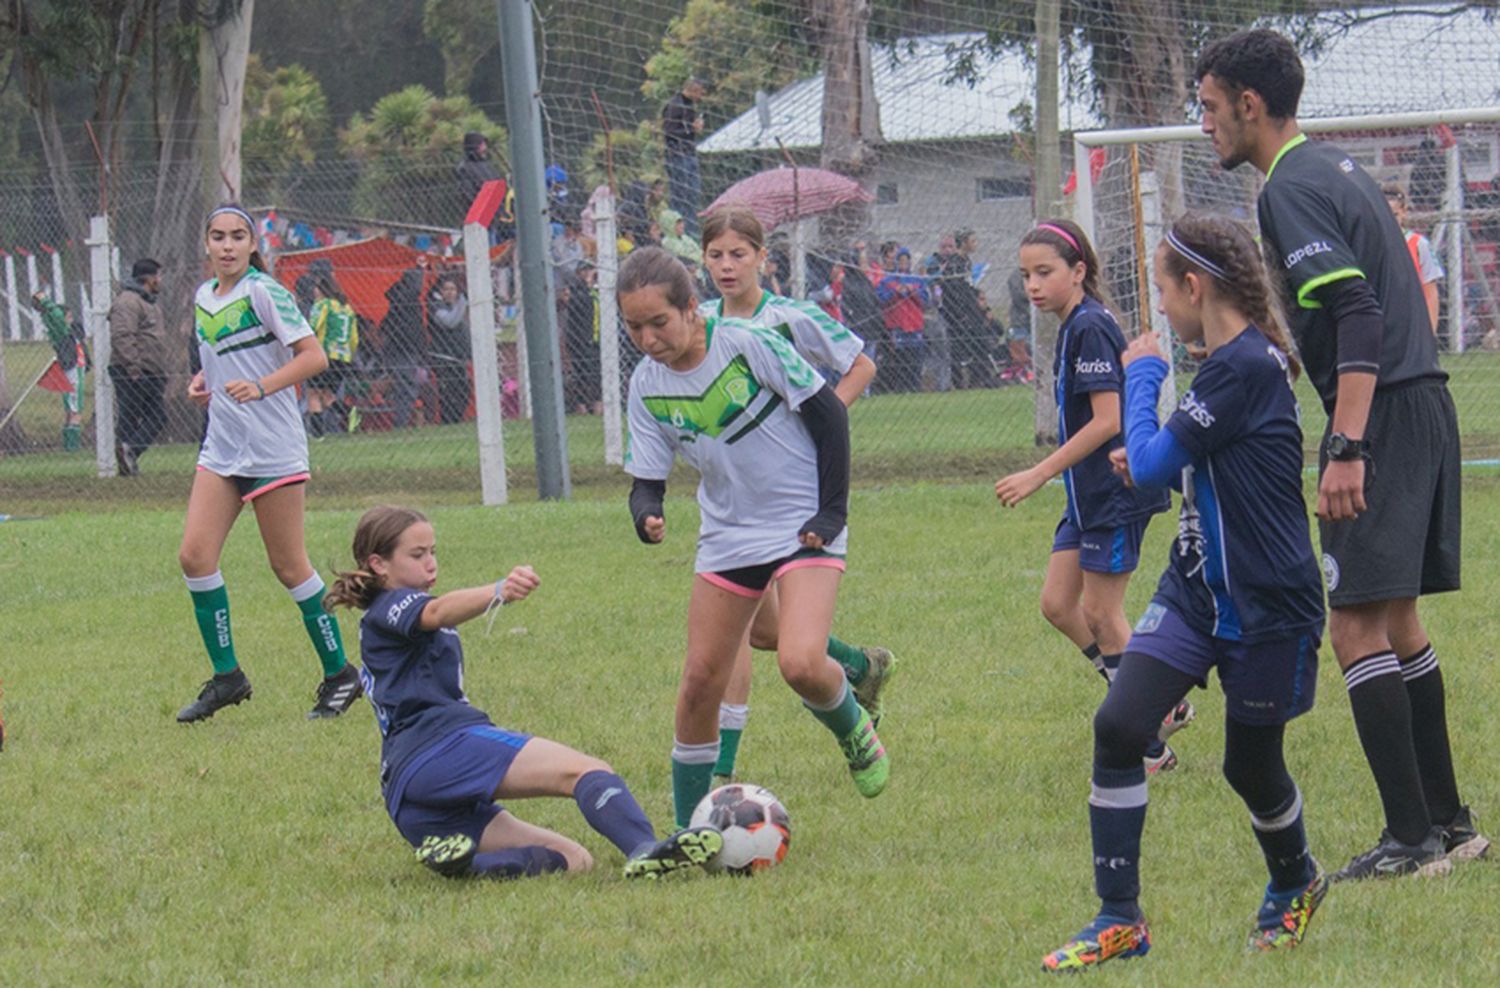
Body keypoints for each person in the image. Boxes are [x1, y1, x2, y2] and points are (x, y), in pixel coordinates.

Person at [1196, 27, 1486, 880]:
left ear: (1251, 105)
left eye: (1210, 108)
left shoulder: (1290, 188)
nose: (1204, 123)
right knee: (1397, 622)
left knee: (1356, 626)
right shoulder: (1335, 171)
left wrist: (1348, 442)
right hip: (1418, 398)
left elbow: (1357, 312)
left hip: (1383, 413)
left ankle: (1410, 842)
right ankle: (1449, 825)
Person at [1042, 213, 1329, 972]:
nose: (1160, 311)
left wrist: (1142, 374)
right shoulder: (1230, 364)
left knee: (1250, 768)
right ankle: (1119, 918)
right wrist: (1154, 450)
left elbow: (1156, 457)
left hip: (1270, 604)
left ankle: (1296, 880)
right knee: (1120, 723)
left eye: (1164, 292)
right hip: (1199, 588)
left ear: (1194, 287)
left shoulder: (1245, 366)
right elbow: (1165, 457)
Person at [618, 246, 890, 828]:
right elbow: (647, 477)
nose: (646, 338)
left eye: (658, 322)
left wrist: (831, 514)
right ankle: (689, 826)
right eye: (633, 326)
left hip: (801, 520)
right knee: (698, 682)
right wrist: (646, 513)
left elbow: (829, 417)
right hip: (728, 534)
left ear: (691, 309)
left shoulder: (747, 344)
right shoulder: (646, 383)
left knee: (799, 662)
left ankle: (853, 726)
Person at [323, 505, 723, 880]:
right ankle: (644, 849)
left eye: (433, 551)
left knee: (574, 860)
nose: (431, 563)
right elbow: (437, 612)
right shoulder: (391, 606)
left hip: (412, 799)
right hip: (438, 750)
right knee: (587, 770)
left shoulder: (392, 611)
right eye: (417, 554)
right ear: (378, 564)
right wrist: (498, 589)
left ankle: (464, 864)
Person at [697, 206, 891, 785]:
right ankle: (858, 665)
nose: (727, 266)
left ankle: (721, 774)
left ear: (763, 257)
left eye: (739, 254)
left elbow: (861, 364)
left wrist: (819, 423)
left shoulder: (790, 317)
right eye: (716, 255)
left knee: (769, 645)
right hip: (735, 504)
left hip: (799, 498)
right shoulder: (700, 321)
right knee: (756, 631)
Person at [995, 220, 1184, 773]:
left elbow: (1108, 422)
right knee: (1058, 604)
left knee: (1102, 613)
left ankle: (1146, 747)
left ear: (1078, 272)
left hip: (1114, 492)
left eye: (1045, 272)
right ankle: (1153, 701)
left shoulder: (1093, 328)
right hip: (1087, 497)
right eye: (1026, 274)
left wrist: (1038, 473)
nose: (1032, 285)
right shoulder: (1072, 326)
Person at [175, 203, 362, 723]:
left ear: (253, 245)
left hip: (273, 448)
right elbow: (218, 363)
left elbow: (314, 357)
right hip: (223, 447)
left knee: (288, 566)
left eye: (238, 236)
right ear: (207, 244)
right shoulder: (202, 297)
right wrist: (202, 387)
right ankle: (228, 678)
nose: (228, 245)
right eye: (218, 236)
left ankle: (340, 674)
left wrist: (261, 386)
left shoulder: (265, 291)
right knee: (195, 557)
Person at [107, 258, 167, 475]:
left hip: (150, 370)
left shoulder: (149, 302)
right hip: (131, 370)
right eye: (159, 276)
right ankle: (128, 455)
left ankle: (129, 454)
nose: (160, 280)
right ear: (150, 278)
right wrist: (133, 368)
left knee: (156, 416)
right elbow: (122, 336)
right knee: (131, 415)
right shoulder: (127, 302)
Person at [31, 292, 90, 451]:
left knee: (72, 409)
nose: (71, 319)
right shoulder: (60, 332)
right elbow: (56, 315)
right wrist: (46, 301)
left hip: (77, 369)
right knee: (75, 410)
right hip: (72, 371)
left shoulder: (72, 331)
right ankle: (72, 448)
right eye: (68, 316)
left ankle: (70, 445)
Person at [1383, 183, 1444, 335]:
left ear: (1403, 212)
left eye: (1395, 214)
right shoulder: (1369, 243)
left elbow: (1430, 292)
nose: (1390, 220)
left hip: (1412, 323)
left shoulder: (1418, 244)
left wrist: (1430, 332)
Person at [305, 271, 359, 437]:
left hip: (323, 355)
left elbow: (313, 327)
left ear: (321, 290)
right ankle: (349, 411)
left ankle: (318, 435)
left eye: (315, 288)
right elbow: (354, 337)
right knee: (328, 395)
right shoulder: (347, 309)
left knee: (313, 394)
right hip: (343, 357)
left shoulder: (323, 305)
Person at [940, 230, 995, 390]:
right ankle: (960, 382)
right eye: (972, 241)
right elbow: (952, 290)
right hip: (960, 314)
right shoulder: (955, 263)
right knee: (960, 348)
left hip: (971, 310)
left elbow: (970, 287)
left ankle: (979, 379)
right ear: (963, 243)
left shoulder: (966, 261)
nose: (975, 244)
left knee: (979, 344)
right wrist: (960, 313)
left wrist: (984, 308)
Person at [382, 264, 429, 429]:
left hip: (397, 349)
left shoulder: (397, 300)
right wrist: (421, 349)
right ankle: (401, 422)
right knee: (407, 388)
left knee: (404, 387)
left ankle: (402, 420)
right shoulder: (409, 302)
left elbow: (386, 325)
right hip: (406, 350)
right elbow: (413, 330)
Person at [876, 248, 928, 393]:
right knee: (900, 358)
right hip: (897, 325)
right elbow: (880, 299)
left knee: (916, 358)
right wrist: (895, 291)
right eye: (901, 260)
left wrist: (912, 290)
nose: (904, 263)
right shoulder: (888, 281)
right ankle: (901, 387)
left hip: (915, 325)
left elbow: (925, 301)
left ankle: (915, 387)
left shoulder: (917, 281)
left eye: (906, 260)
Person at [662, 78, 706, 238]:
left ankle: (691, 229)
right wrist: (690, 129)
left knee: (693, 193)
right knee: (681, 195)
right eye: (700, 93)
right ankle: (680, 231)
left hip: (688, 153)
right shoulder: (675, 105)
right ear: (693, 90)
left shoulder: (689, 106)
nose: (701, 97)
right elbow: (669, 132)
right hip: (677, 156)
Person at [428, 276, 472, 425]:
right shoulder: (436, 306)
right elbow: (450, 322)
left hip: (458, 357)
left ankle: (457, 420)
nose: (450, 293)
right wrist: (463, 302)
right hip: (444, 357)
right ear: (440, 291)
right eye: (446, 289)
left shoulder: (455, 306)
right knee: (449, 392)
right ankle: (448, 421)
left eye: (453, 289)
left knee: (463, 390)